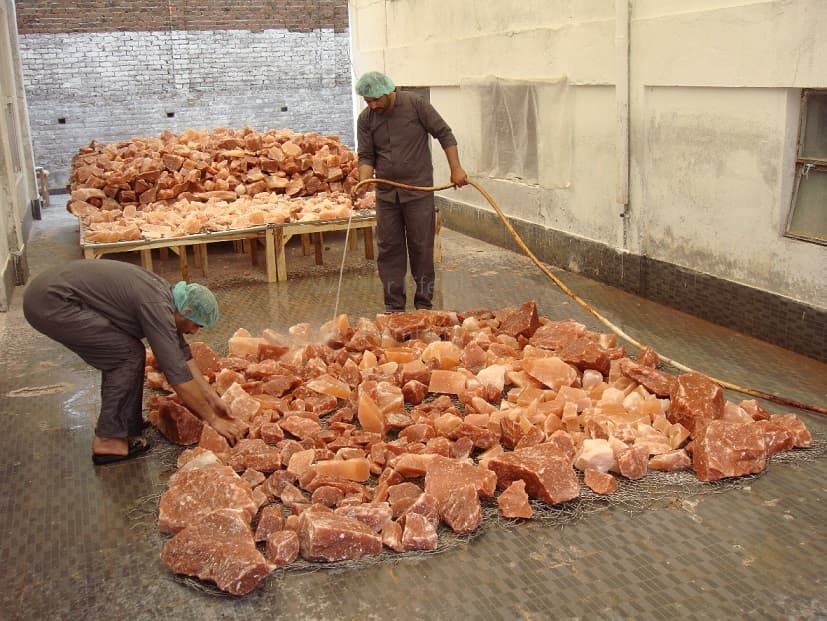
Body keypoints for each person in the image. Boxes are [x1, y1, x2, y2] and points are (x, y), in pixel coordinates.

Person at [23, 259, 246, 465]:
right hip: (52, 302)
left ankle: (126, 425)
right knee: (125, 355)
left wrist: (213, 399)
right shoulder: (156, 306)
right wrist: (212, 419)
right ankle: (109, 440)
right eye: (195, 324)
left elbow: (181, 353)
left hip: (50, 292)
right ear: (185, 311)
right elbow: (176, 373)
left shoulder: (168, 298)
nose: (195, 332)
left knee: (130, 351)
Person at [355, 70, 468, 313]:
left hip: (418, 193)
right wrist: (363, 182)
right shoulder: (366, 119)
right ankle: (394, 307)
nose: (373, 105)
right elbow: (366, 156)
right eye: (368, 101)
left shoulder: (416, 105)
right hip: (387, 196)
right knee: (389, 249)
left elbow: (444, 134)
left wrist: (456, 169)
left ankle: (424, 305)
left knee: (421, 248)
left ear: (389, 92)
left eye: (377, 100)